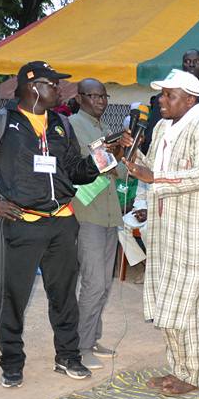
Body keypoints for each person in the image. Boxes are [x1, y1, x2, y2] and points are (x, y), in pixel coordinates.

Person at [0, 60, 106, 387]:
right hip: (19, 223)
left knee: (64, 296)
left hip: (62, 224)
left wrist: (107, 156)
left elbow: (75, 170)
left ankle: (67, 356)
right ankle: (12, 363)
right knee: (12, 296)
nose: (61, 89)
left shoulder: (61, 124)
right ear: (34, 87)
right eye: (54, 83)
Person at [123, 69, 199, 395]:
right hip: (164, 226)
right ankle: (177, 369)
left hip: (192, 228)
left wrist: (156, 178)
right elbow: (152, 166)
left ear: (190, 98)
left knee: (187, 304)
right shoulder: (165, 125)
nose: (161, 101)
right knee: (167, 302)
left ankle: (192, 376)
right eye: (162, 95)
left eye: (169, 96)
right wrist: (131, 153)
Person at [68, 78, 122, 369]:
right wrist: (116, 153)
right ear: (79, 98)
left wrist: (126, 154)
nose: (100, 101)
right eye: (94, 96)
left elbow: (122, 170)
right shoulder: (74, 124)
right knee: (93, 282)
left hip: (109, 212)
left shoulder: (105, 129)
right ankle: (81, 345)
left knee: (104, 283)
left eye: (103, 96)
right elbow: (97, 161)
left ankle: (93, 336)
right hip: (87, 212)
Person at [146, 49, 199, 161]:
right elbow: (150, 138)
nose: (191, 64)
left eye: (196, 61)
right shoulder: (162, 103)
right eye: (187, 61)